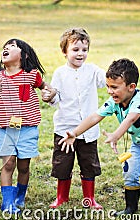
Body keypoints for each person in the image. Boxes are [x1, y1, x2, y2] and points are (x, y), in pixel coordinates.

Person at [59, 58, 140, 216]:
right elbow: (95, 117)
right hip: (139, 145)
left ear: (131, 87)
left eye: (114, 87)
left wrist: (115, 135)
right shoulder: (114, 101)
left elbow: (131, 119)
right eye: (107, 86)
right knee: (130, 173)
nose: (109, 91)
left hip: (139, 142)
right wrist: (75, 133)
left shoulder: (139, 101)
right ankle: (130, 209)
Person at [0, 38, 56, 213]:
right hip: (5, 129)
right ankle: (7, 203)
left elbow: (46, 88)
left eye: (11, 46)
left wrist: (51, 93)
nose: (6, 48)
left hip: (27, 129)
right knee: (8, 164)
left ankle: (20, 196)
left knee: (23, 166)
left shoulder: (31, 75)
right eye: (4, 47)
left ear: (23, 55)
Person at [45, 28, 106, 209]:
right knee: (63, 165)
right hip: (65, 130)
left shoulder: (93, 70)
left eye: (84, 50)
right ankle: (62, 197)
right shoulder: (60, 73)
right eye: (75, 49)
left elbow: (106, 80)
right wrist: (50, 96)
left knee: (89, 165)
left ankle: (90, 198)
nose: (81, 54)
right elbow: (55, 98)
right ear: (65, 52)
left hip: (88, 131)